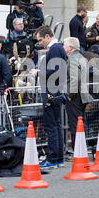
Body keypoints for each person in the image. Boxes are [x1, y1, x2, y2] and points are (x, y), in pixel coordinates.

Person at [32, 25, 67, 169]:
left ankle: (53, 158)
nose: (40, 43)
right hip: (54, 91)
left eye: (40, 40)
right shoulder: (56, 49)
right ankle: (57, 158)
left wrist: (39, 72)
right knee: (55, 125)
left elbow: (55, 72)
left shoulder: (55, 49)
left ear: (48, 36)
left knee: (51, 126)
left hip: (52, 92)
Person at [63, 37, 93, 151]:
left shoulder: (73, 59)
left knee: (75, 125)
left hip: (76, 96)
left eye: (64, 45)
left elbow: (76, 79)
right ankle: (81, 149)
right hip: (82, 95)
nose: (63, 48)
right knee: (80, 124)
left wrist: (70, 95)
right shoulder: (82, 58)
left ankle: (79, 151)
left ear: (70, 48)